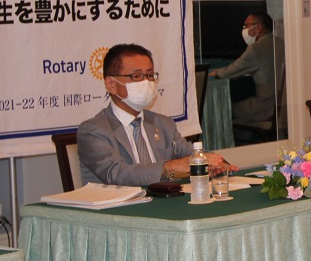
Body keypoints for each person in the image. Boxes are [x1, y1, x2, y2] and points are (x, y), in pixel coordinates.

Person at [78, 43, 235, 186]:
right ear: (111, 84)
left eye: (150, 75)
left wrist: (216, 163)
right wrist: (169, 167)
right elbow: (116, 174)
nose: (146, 82)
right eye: (136, 76)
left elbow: (190, 154)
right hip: (118, 207)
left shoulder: (162, 123)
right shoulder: (93, 130)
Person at [210, 11, 283, 125]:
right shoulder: (281, 43)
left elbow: (231, 71)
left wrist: (214, 72)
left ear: (258, 27)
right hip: (281, 107)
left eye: (246, 26)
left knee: (225, 108)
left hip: (265, 107)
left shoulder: (256, 49)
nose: (244, 30)